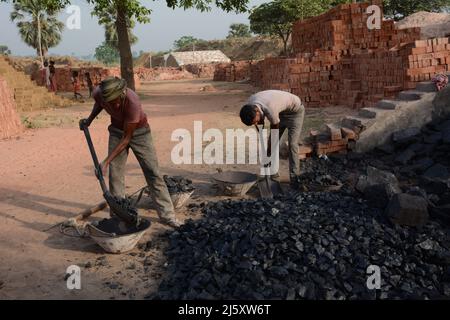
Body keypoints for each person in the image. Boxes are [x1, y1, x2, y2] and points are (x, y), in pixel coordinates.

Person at [79, 76, 180, 228]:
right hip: (116, 131)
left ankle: (167, 215)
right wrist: (89, 120)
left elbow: (127, 138)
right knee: (116, 174)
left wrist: (106, 161)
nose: (116, 105)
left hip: (139, 133)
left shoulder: (133, 102)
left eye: (117, 101)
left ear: (122, 93)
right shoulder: (99, 93)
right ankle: (119, 215)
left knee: (153, 172)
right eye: (111, 103)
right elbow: (99, 104)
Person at [239, 90, 305, 188]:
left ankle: (295, 178)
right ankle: (274, 176)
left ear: (257, 111)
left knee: (292, 144)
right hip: (281, 112)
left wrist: (268, 152)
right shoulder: (251, 105)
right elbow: (259, 124)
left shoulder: (271, 109)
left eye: (255, 121)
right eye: (254, 124)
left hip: (295, 112)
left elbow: (274, 137)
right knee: (271, 146)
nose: (256, 124)